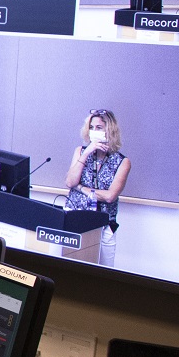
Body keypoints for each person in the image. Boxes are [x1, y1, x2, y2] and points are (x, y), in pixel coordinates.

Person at [64, 108, 131, 263]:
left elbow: (109, 196)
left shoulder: (122, 161)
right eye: (92, 128)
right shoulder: (80, 151)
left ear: (109, 130)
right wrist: (87, 152)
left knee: (104, 271)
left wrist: (81, 188)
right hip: (75, 218)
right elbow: (70, 182)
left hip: (104, 225)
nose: (94, 131)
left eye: (99, 128)